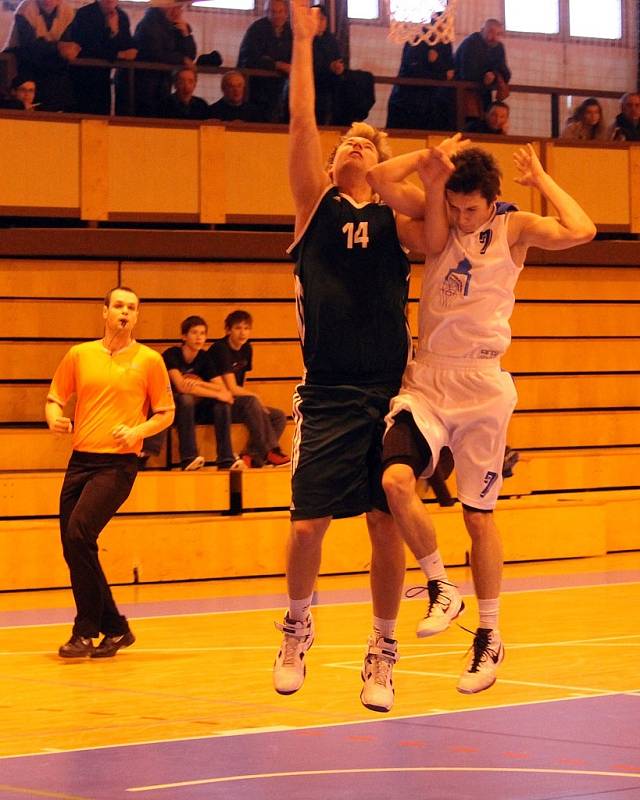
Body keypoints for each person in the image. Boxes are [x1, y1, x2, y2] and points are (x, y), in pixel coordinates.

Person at [368, 138, 595, 695]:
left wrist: (540, 178)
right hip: (428, 379)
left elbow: (582, 229)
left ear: (492, 202)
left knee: (477, 516)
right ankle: (442, 585)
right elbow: (379, 182)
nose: (463, 218)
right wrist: (429, 162)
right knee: (396, 480)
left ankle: (488, 635)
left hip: (482, 384)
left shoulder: (513, 229)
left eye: (473, 210)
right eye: (456, 207)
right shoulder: (437, 221)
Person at [272, 0, 426, 714]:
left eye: (366, 143)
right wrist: (304, 42)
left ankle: (382, 649)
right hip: (328, 392)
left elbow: (437, 205)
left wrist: (395, 158)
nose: (352, 147)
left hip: (388, 393)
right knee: (307, 526)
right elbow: (302, 125)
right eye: (347, 142)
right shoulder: (316, 208)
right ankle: (296, 626)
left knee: (384, 524)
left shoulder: (400, 219)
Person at [46, 287, 175, 658]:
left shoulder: (149, 360)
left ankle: (85, 631)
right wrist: (55, 416)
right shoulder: (79, 354)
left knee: (79, 531)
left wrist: (137, 432)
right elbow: (55, 398)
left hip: (117, 464)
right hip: (79, 461)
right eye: (118, 306)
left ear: (137, 316)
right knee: (75, 545)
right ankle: (116, 628)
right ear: (104, 312)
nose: (124, 312)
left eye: (131, 308)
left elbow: (165, 413)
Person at [143, 315, 244, 471]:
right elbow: (182, 387)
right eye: (194, 332)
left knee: (222, 405)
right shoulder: (172, 354)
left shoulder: (205, 357)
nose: (199, 337)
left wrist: (200, 383)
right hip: (172, 411)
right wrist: (215, 392)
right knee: (186, 399)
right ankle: (188, 457)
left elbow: (222, 389)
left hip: (196, 410)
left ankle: (226, 458)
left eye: (203, 333)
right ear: (184, 336)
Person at [209, 310, 290, 468]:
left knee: (278, 416)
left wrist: (253, 402)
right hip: (218, 405)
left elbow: (241, 384)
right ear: (228, 330)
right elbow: (231, 388)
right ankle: (271, 451)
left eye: (246, 328)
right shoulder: (220, 349)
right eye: (238, 328)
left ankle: (250, 455)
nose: (243, 333)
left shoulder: (247, 348)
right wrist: (256, 398)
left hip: (237, 402)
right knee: (252, 401)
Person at [123, 0, 196, 117]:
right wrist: (181, 59)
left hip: (160, 83)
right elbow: (154, 52)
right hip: (143, 85)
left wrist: (186, 34)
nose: (177, 10)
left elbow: (190, 55)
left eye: (179, 7)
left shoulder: (177, 26)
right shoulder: (149, 23)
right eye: (173, 6)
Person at [64, 0, 136, 115]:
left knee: (101, 117)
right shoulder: (85, 14)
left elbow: (127, 45)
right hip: (82, 78)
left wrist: (116, 32)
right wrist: (116, 52)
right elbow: (86, 47)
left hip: (103, 78)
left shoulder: (121, 17)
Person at [4, 0, 76, 111]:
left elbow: (67, 45)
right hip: (23, 66)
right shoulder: (25, 9)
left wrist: (63, 48)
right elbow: (28, 46)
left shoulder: (68, 12)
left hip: (52, 70)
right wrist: (57, 47)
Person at [386, 13, 454, 132]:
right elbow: (414, 71)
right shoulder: (416, 39)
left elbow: (450, 71)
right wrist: (440, 73)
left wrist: (436, 63)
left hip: (432, 102)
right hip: (407, 102)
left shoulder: (445, 43)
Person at [237, 0, 292, 122]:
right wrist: (277, 65)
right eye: (273, 12)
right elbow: (249, 59)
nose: (277, 15)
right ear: (266, 12)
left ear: (286, 13)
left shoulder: (290, 32)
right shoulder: (257, 29)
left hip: (280, 90)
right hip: (255, 90)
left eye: (280, 11)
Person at [454, 18, 511, 123]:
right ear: (482, 30)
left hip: (483, 95)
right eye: (490, 32)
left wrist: (493, 75)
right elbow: (466, 73)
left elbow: (505, 73)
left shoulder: (498, 47)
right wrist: (484, 77)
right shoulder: (471, 43)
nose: (493, 37)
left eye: (498, 34)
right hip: (462, 96)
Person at [310, 3, 343, 125]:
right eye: (316, 19)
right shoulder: (305, 39)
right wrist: (328, 67)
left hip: (327, 88)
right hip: (310, 86)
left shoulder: (331, 40)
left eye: (322, 19)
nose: (319, 22)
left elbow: (338, 59)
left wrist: (338, 68)